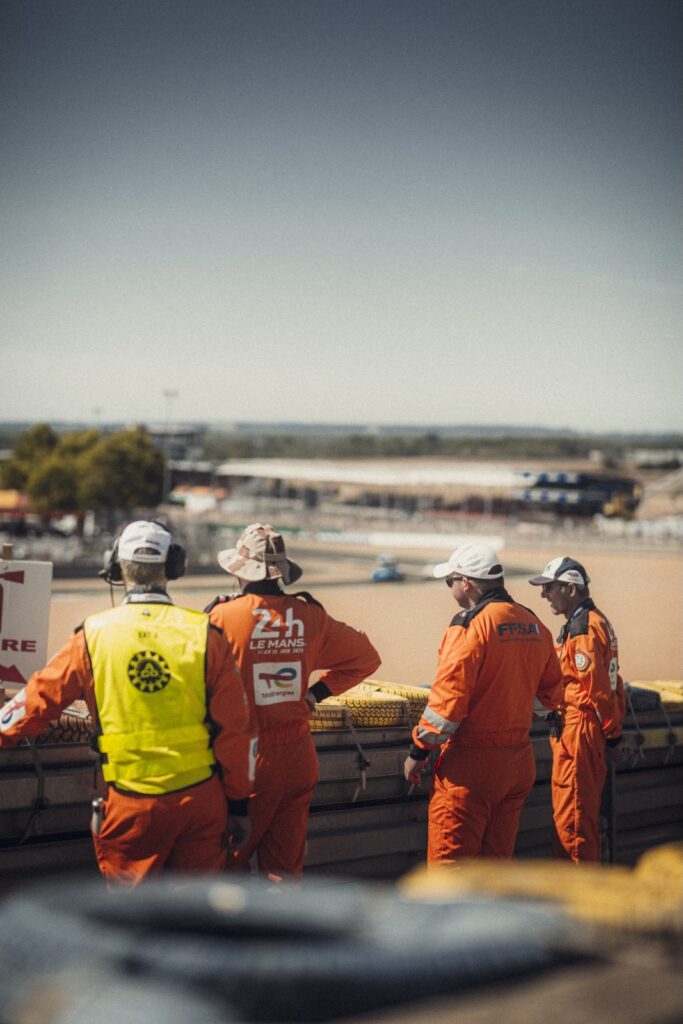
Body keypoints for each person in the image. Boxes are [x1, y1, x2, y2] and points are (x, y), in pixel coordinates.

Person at [0, 520, 255, 886]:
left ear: (115, 569)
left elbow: (33, 704)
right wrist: (240, 806)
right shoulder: (205, 635)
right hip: (201, 803)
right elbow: (238, 732)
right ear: (173, 567)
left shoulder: (91, 637)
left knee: (131, 922)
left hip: (129, 804)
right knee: (196, 918)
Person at [205, 522, 381, 880]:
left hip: (246, 760)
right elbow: (367, 658)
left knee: (225, 867)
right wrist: (315, 694)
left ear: (241, 573)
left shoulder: (220, 619)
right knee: (284, 872)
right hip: (299, 756)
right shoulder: (310, 616)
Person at [404, 542, 562, 863]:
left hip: (471, 768)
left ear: (466, 583)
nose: (449, 588)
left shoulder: (469, 626)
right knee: (495, 869)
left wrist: (418, 752)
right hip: (518, 762)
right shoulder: (534, 624)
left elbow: (447, 704)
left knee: (451, 874)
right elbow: (550, 696)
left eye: (449, 581)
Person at [529, 556, 625, 862]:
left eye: (550, 587)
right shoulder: (592, 622)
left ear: (571, 589)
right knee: (576, 816)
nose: (544, 595)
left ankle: (578, 897)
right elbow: (613, 684)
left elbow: (596, 691)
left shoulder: (583, 627)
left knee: (574, 821)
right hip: (579, 729)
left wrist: (611, 736)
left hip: (579, 732)